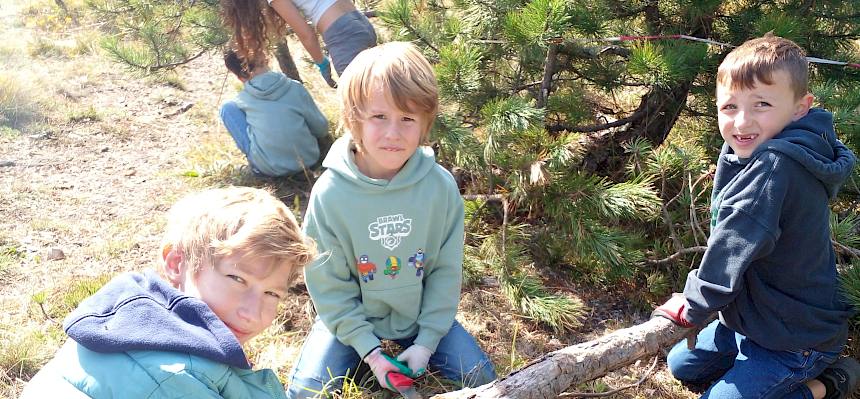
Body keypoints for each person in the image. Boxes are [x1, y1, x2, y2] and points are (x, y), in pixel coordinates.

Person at [652, 34, 860, 399]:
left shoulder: (775, 165)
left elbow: (735, 240)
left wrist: (694, 302)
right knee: (681, 364)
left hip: (795, 336)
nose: (742, 121)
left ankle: (827, 383)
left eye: (762, 104)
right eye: (729, 107)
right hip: (755, 318)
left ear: (800, 108)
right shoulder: (754, 143)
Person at [286, 42, 496, 398]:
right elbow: (328, 283)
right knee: (305, 392)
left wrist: (427, 342)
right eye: (379, 117)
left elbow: (446, 270)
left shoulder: (439, 187)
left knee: (484, 379)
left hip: (419, 319)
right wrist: (370, 351)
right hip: (354, 323)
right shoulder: (331, 193)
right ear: (354, 119)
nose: (393, 133)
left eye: (408, 119)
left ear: (425, 123)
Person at [20, 186, 317, 398]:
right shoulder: (173, 377)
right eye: (237, 279)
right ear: (177, 262)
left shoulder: (124, 320)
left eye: (272, 294)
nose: (252, 312)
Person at [219, 49, 330, 177]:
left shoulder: (242, 100)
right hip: (309, 158)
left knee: (227, 108)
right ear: (266, 58)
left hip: (270, 168)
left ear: (238, 76)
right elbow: (321, 129)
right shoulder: (295, 87)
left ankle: (257, 162)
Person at [220, 0, 376, 87]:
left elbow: (306, 35)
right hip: (360, 22)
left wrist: (321, 63)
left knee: (363, 105)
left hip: (342, 35)